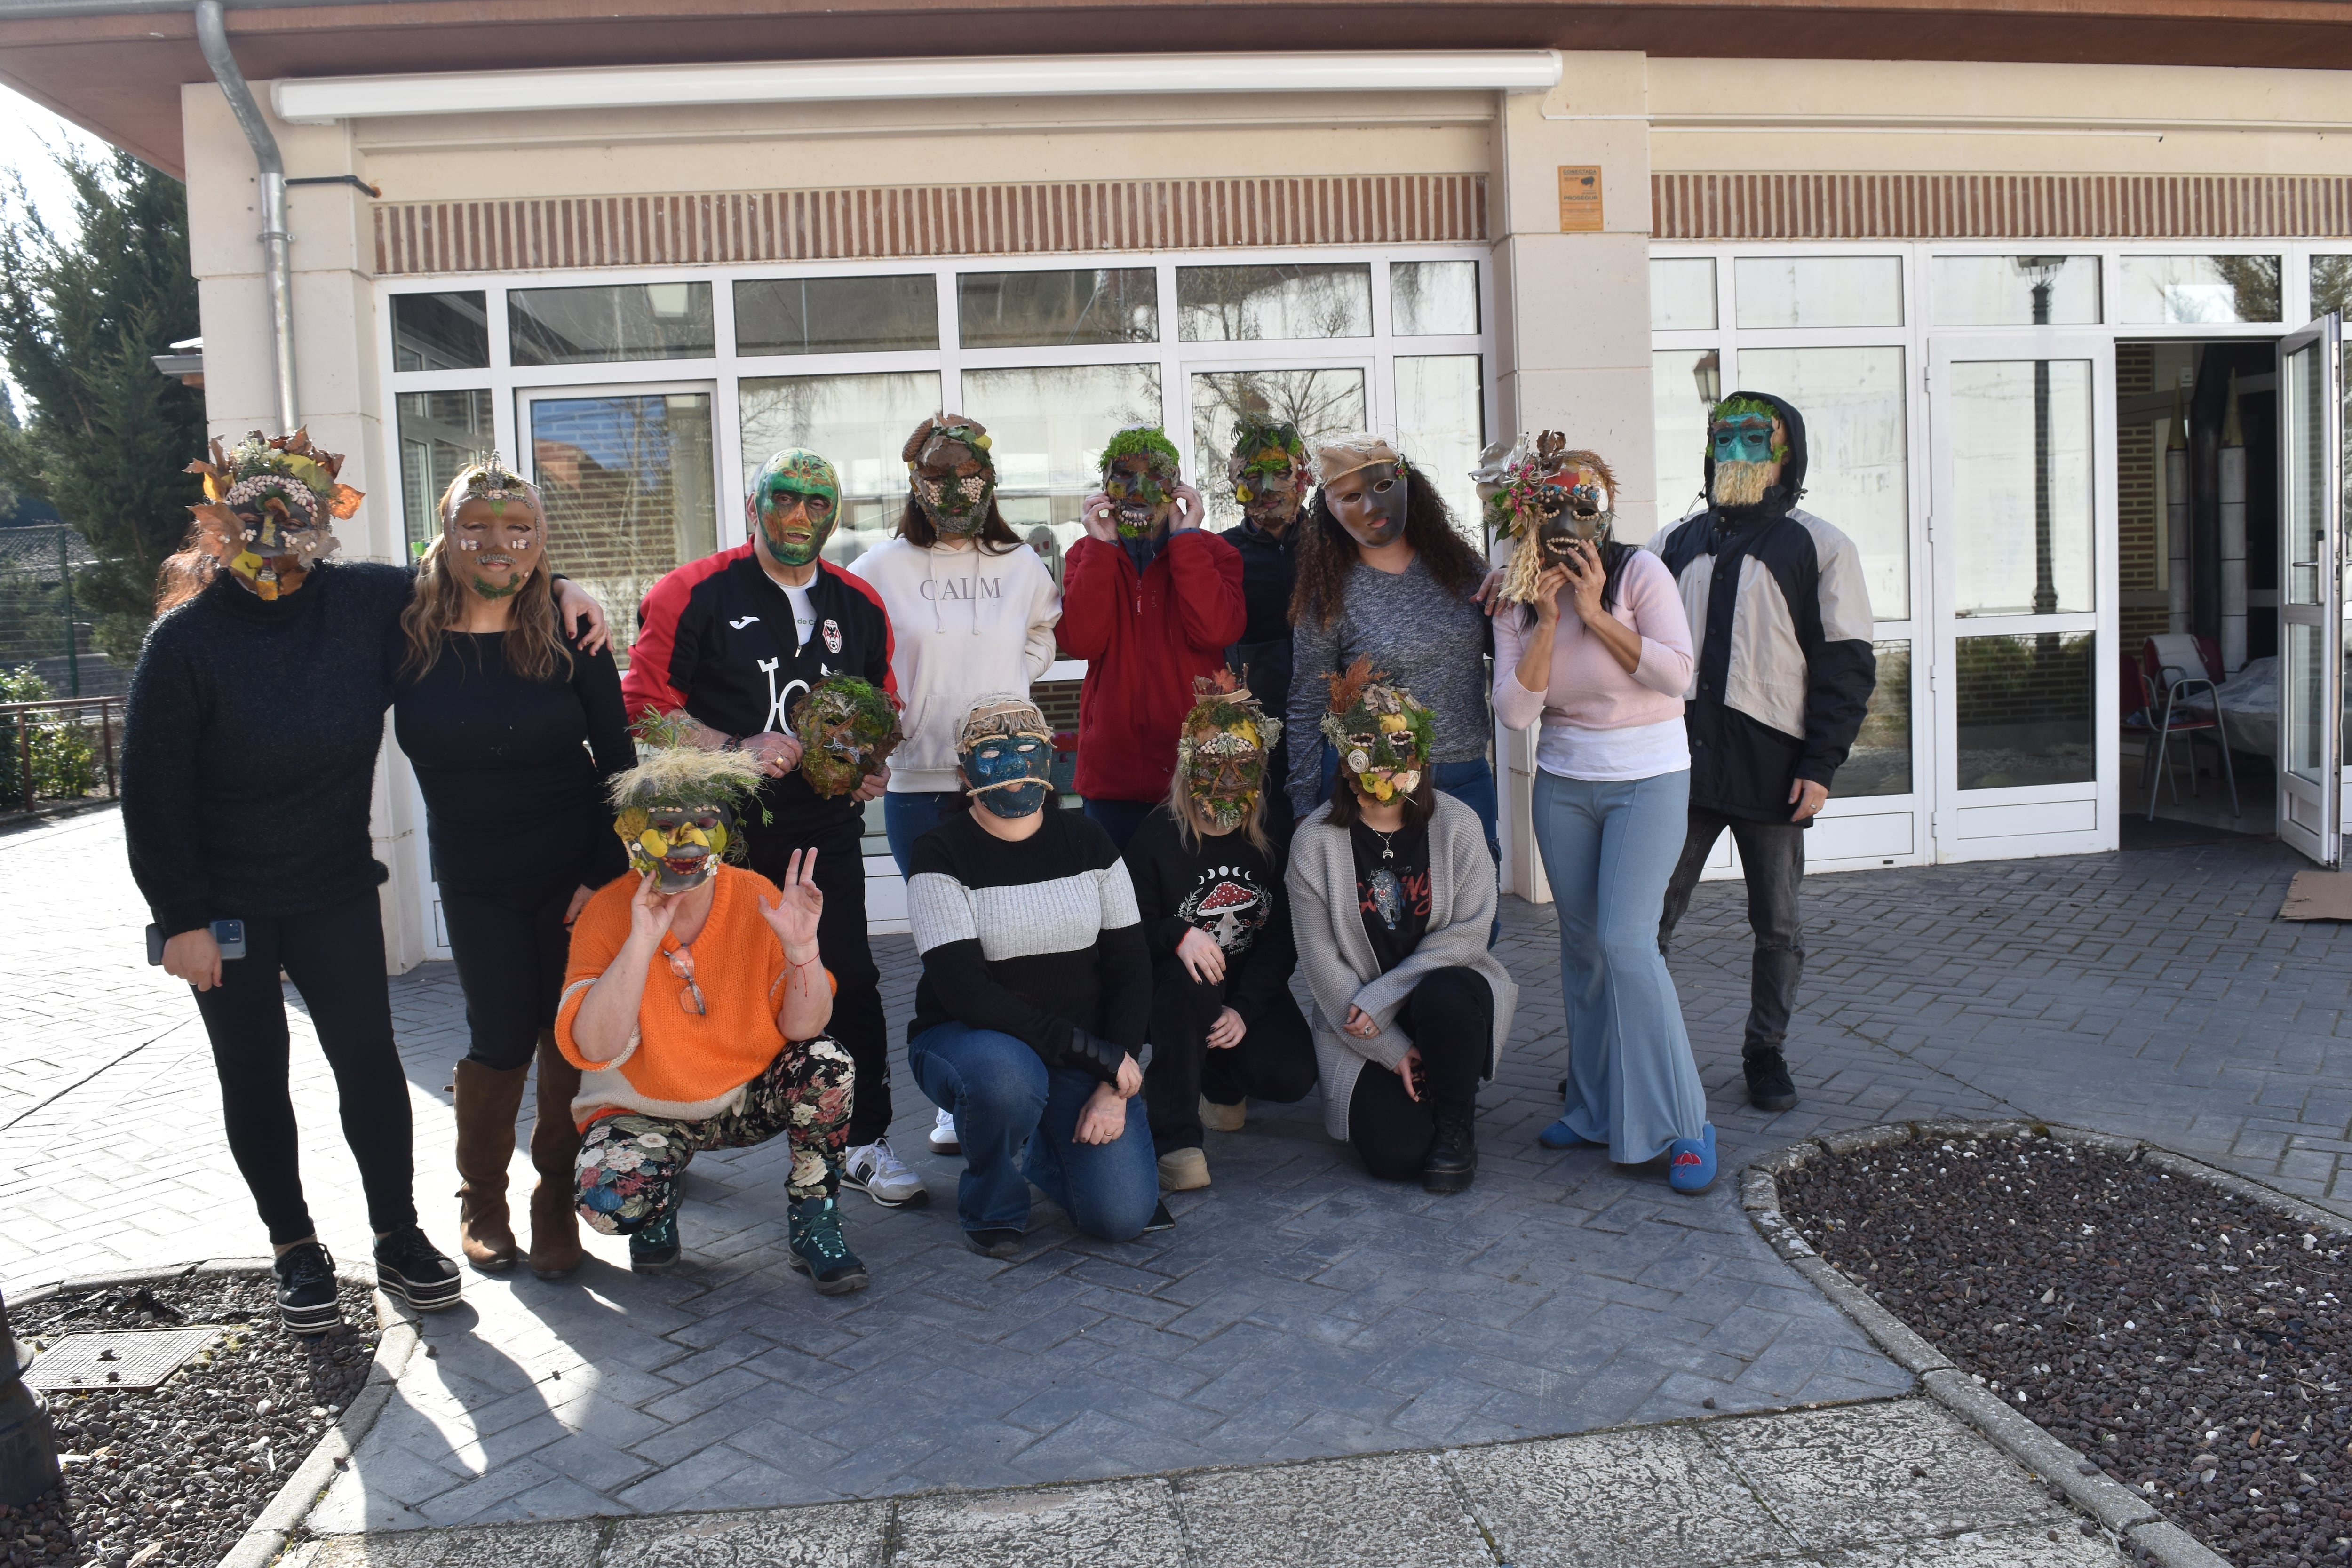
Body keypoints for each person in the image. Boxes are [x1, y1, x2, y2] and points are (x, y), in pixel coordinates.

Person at [123, 429, 607, 1332]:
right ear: (221, 524)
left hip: (335, 887)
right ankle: (295, 1248)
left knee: (371, 1069)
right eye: (255, 516)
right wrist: (180, 916)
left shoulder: (364, 601)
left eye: (294, 515)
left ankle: (399, 1233)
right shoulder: (184, 642)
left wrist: (570, 584)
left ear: (322, 525)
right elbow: (150, 792)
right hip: (223, 907)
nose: (275, 534)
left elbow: (484, 560)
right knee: (255, 1076)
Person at [623, 448, 922, 1209]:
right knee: (702, 983)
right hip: (714, 833)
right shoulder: (693, 590)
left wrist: (867, 765)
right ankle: (679, 1130)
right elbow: (643, 702)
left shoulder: (860, 603)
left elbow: (880, 710)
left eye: (817, 502)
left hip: (825, 832)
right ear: (755, 505)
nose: (798, 515)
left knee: (846, 977)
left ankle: (863, 1139)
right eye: (783, 497)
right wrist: (734, 748)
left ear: (836, 512)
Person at [392, 456, 635, 1279]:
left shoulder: (572, 632)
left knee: (565, 1035)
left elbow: (620, 760)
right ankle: (482, 1201)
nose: (499, 544)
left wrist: (600, 873)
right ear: (445, 532)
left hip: (573, 870)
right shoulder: (402, 631)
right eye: (479, 526)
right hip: (475, 876)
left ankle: (554, 1199)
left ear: (540, 540)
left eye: (520, 529)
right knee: (497, 1039)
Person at [1485, 438, 1716, 1194]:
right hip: (1565, 784)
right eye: (1547, 505)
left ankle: (1686, 1121)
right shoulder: (1517, 594)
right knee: (1583, 951)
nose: (1566, 519)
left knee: (1627, 945)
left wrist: (1595, 610)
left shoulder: (1640, 571)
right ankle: (1590, 1107)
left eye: (1581, 504)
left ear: (1603, 507)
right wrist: (1550, 621)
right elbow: (1516, 714)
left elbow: (1678, 675)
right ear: (1526, 515)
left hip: (1648, 779)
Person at [555, 727, 863, 1288]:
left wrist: (802, 949)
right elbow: (596, 1048)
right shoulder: (605, 911)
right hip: (644, 1107)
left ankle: (814, 1215)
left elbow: (804, 1026)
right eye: (666, 828)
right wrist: (642, 939)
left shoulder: (754, 896)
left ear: (723, 832)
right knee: (609, 1203)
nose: (687, 842)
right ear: (633, 834)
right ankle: (657, 1201)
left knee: (828, 1061)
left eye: (703, 825)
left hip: (742, 1096)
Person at [1648, 392, 1876, 1114]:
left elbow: (1846, 665)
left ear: (1787, 453)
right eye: (1725, 438)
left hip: (1772, 766)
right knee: (1647, 918)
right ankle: (1632, 1046)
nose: (1738, 453)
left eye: (1756, 438)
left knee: (1777, 922)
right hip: (1678, 765)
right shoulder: (1673, 544)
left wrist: (1820, 765)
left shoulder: (1821, 546)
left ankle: (1765, 1050)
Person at [904, 694, 1164, 1255]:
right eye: (992, 752)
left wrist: (1112, 1085)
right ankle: (992, 1203)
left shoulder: (1090, 841)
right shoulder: (939, 852)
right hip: (973, 1040)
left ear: (1050, 759)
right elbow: (969, 995)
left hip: (1079, 1052)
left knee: (1121, 1217)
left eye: (1027, 749)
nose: (1013, 765)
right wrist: (1097, 1056)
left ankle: (1049, 1150)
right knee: (1006, 1080)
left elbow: (1130, 967)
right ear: (962, 771)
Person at [1285, 663, 1517, 1193]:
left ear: (1420, 757)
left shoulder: (1457, 824)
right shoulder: (1314, 843)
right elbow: (1321, 963)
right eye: (1370, 752)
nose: (1386, 770)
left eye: (1401, 751)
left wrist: (1385, 996)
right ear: (1346, 761)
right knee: (1394, 1158)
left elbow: (1470, 933)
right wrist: (1393, 1048)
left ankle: (1457, 1126)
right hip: (1361, 1022)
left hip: (1435, 997)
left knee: (1448, 993)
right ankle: (1424, 1083)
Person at [1120, 672, 1317, 1193]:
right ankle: (1174, 1136)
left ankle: (1217, 1082)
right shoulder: (1156, 836)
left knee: (1291, 1076)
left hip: (1241, 986)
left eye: (1242, 765)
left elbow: (1281, 936)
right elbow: (1124, 931)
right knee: (1194, 986)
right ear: (1189, 765)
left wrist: (1244, 1009)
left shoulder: (1272, 833)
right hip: (1173, 989)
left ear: (1259, 768)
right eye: (1212, 764)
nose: (1228, 778)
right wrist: (1176, 935)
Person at [850, 414, 1060, 878]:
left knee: (1010, 915)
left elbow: (1043, 631)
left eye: (967, 478)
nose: (951, 492)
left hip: (1008, 770)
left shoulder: (1019, 562)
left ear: (988, 483)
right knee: (939, 924)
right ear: (915, 486)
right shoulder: (879, 567)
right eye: (936, 479)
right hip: (919, 778)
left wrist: (1014, 675)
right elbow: (855, 655)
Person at [1285, 435, 1499, 866]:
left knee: (1479, 916)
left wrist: (1516, 577)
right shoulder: (1328, 596)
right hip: (1376, 784)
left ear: (1409, 485)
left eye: (1383, 487)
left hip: (1464, 773)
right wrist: (1305, 809)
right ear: (1329, 507)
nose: (1370, 507)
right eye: (1350, 496)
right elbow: (1308, 704)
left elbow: (1513, 646)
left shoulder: (1462, 570)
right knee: (1391, 921)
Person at [1060, 424, 1246, 851]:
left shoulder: (1215, 553)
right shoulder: (1085, 554)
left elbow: (1216, 630)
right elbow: (1083, 642)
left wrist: (1186, 541)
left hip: (1196, 770)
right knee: (1120, 909)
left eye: (1155, 476)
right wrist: (1102, 548)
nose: (1138, 490)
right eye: (1123, 476)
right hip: (1112, 776)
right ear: (1106, 487)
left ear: (1176, 487)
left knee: (1185, 905)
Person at [1218, 418, 1311, 848]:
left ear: (1304, 476)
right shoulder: (1220, 552)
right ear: (1234, 481)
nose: (1267, 487)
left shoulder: (1333, 545)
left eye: (1281, 473)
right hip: (1257, 738)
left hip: (1329, 730)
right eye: (1252, 476)